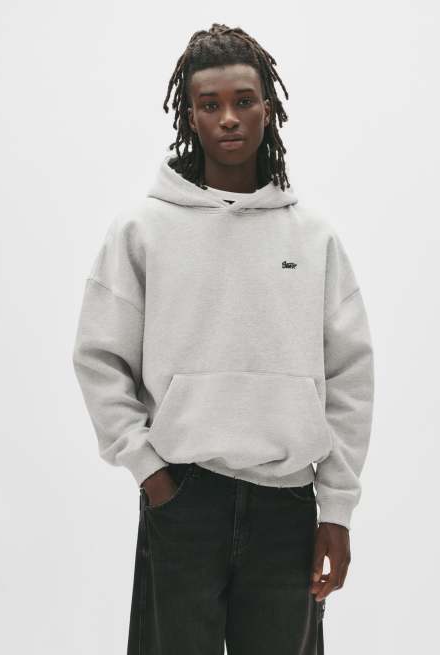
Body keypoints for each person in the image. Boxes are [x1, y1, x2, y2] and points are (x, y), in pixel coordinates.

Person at [72, 23, 374, 655]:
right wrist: (151, 472)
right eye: (210, 104)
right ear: (190, 115)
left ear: (269, 108)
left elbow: (349, 375)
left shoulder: (313, 237)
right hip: (184, 494)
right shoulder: (143, 230)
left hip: (288, 504)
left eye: (244, 101)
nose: (229, 118)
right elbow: (100, 358)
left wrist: (337, 509)